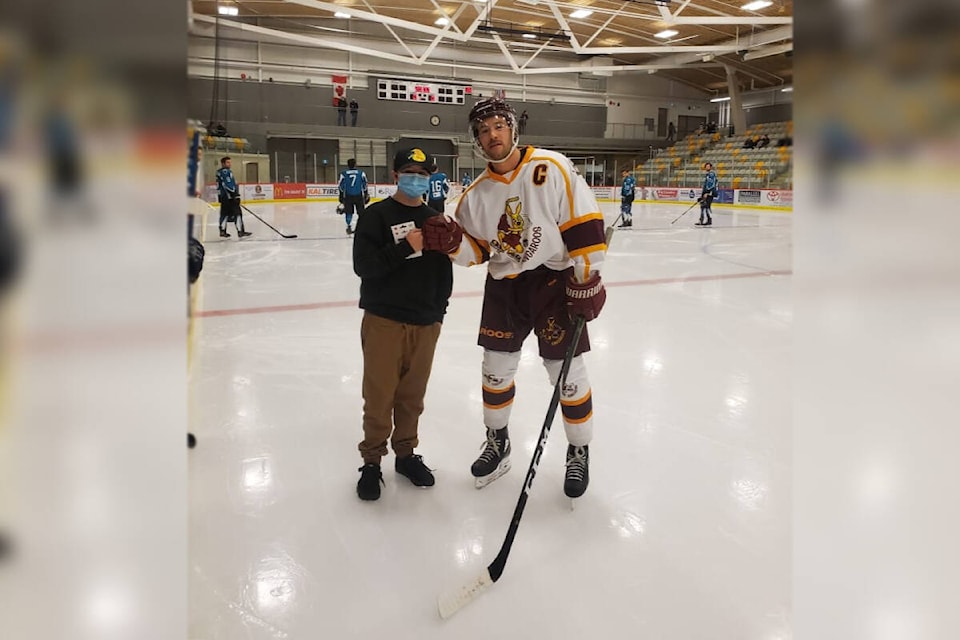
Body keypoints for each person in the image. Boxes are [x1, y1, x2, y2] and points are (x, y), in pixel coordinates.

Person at [421, 97, 607, 499]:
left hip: (555, 283)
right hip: (505, 288)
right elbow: (478, 251)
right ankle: (498, 441)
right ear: (477, 140)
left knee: (568, 376)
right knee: (495, 371)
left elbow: (584, 224)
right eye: (484, 130)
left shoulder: (551, 167)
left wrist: (587, 277)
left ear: (512, 129)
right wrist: (454, 243)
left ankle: (579, 450)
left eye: (498, 126)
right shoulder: (475, 195)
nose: (492, 135)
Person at [352, 147, 455, 501]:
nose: (417, 179)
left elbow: (444, 274)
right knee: (379, 396)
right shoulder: (375, 216)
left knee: (412, 398)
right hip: (384, 321)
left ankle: (406, 454)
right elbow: (364, 267)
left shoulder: (435, 219)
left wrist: (438, 314)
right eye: (410, 172)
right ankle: (371, 462)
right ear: (395, 175)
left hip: (425, 323)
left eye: (423, 174)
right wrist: (405, 248)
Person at [216, 156, 251, 238]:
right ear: (223, 163)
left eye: (230, 162)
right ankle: (240, 231)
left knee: (224, 214)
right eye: (228, 162)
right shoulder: (225, 172)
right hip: (229, 197)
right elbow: (227, 185)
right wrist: (234, 194)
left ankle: (222, 231)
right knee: (237, 213)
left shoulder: (220, 172)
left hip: (224, 197)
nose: (230, 164)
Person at [338, 158, 369, 235]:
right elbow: (365, 184)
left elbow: (341, 186)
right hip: (358, 196)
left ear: (348, 165)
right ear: (355, 164)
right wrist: (366, 194)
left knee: (348, 213)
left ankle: (348, 226)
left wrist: (341, 196)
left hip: (348, 196)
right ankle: (361, 227)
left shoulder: (343, 174)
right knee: (361, 213)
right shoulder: (361, 173)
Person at [695, 161, 718, 227]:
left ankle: (708, 220)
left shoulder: (711, 174)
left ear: (710, 167)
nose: (707, 167)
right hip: (706, 193)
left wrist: (707, 193)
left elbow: (712, 185)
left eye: (708, 166)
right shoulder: (707, 175)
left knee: (706, 206)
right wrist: (702, 194)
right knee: (703, 206)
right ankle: (703, 220)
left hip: (709, 193)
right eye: (706, 166)